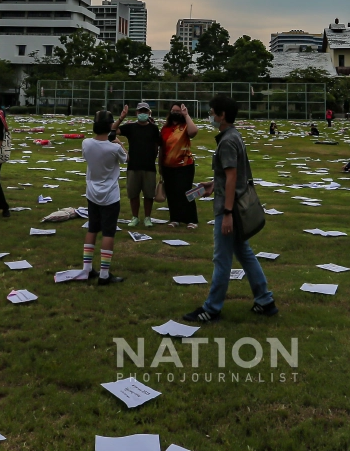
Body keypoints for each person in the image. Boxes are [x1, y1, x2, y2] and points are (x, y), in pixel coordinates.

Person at [182, 94, 276, 323]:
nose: (210, 116)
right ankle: (265, 300)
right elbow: (230, 175)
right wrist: (214, 184)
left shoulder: (227, 141)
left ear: (222, 115)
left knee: (221, 259)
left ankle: (212, 308)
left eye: (212, 112)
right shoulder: (234, 136)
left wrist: (226, 214)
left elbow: (233, 177)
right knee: (244, 253)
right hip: (232, 204)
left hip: (230, 209)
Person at [82, 109, 128, 285]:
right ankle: (104, 273)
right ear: (110, 126)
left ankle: (87, 269)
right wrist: (119, 142)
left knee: (92, 229)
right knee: (108, 232)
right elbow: (126, 158)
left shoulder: (86, 143)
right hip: (110, 194)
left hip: (92, 192)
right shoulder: (114, 148)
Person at [115, 101, 160, 228]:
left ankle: (147, 217)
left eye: (145, 111)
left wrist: (154, 158)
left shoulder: (153, 128)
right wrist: (121, 118)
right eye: (140, 111)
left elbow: (157, 145)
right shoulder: (130, 127)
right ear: (136, 113)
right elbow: (113, 130)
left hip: (149, 166)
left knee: (149, 194)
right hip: (133, 166)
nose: (143, 113)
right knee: (133, 194)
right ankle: (135, 217)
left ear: (149, 113)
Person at [160, 103, 199, 228]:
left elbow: (194, 132)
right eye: (173, 110)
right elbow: (162, 148)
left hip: (185, 165)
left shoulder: (185, 126)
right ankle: (175, 218)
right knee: (172, 193)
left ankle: (192, 219)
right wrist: (160, 166)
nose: (175, 113)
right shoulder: (165, 129)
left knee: (187, 191)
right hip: (168, 166)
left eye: (178, 111)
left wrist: (186, 115)